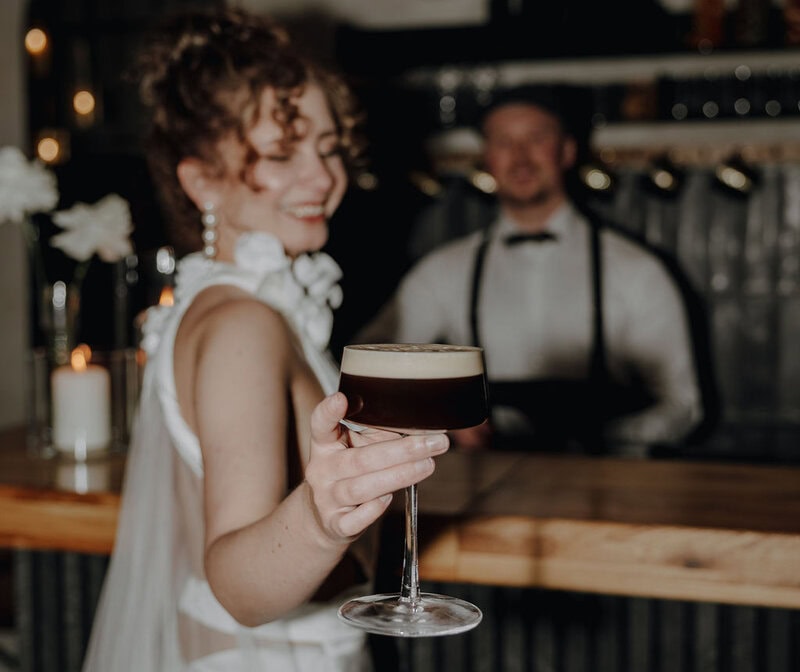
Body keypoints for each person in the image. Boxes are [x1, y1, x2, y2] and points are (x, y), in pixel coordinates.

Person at [81, 8, 450, 671]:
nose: (322, 178)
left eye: (331, 147)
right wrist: (321, 514)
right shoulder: (242, 325)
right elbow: (237, 588)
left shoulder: (223, 303)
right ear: (200, 181)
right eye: (282, 154)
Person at [357, 84, 706, 456]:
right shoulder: (439, 273)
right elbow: (375, 378)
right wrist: (442, 423)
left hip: (607, 480)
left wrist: (612, 437)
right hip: (482, 485)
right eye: (504, 142)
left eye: (537, 138)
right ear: (487, 158)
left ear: (568, 151)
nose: (520, 157)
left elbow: (683, 405)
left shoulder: (639, 271)